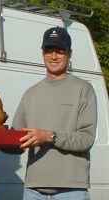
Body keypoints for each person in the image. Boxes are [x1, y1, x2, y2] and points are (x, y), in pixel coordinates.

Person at [12, 26, 97, 200]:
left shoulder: (83, 89)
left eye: (60, 50)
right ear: (42, 52)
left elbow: (86, 138)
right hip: (34, 191)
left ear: (69, 53)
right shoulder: (30, 93)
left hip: (72, 190)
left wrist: (50, 136)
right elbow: (16, 140)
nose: (53, 56)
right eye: (48, 50)